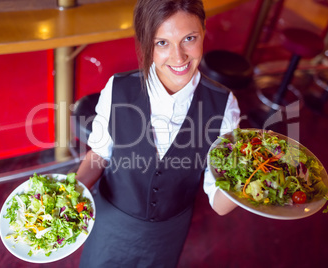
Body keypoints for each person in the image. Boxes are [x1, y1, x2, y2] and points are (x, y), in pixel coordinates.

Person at [77, 0, 239, 267]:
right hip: (111, 222)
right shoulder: (118, 89)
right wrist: (67, 195)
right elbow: (99, 154)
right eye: (162, 42)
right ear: (145, 41)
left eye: (189, 38)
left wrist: (254, 185)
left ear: (204, 29)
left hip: (167, 233)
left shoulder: (224, 105)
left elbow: (220, 204)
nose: (179, 57)